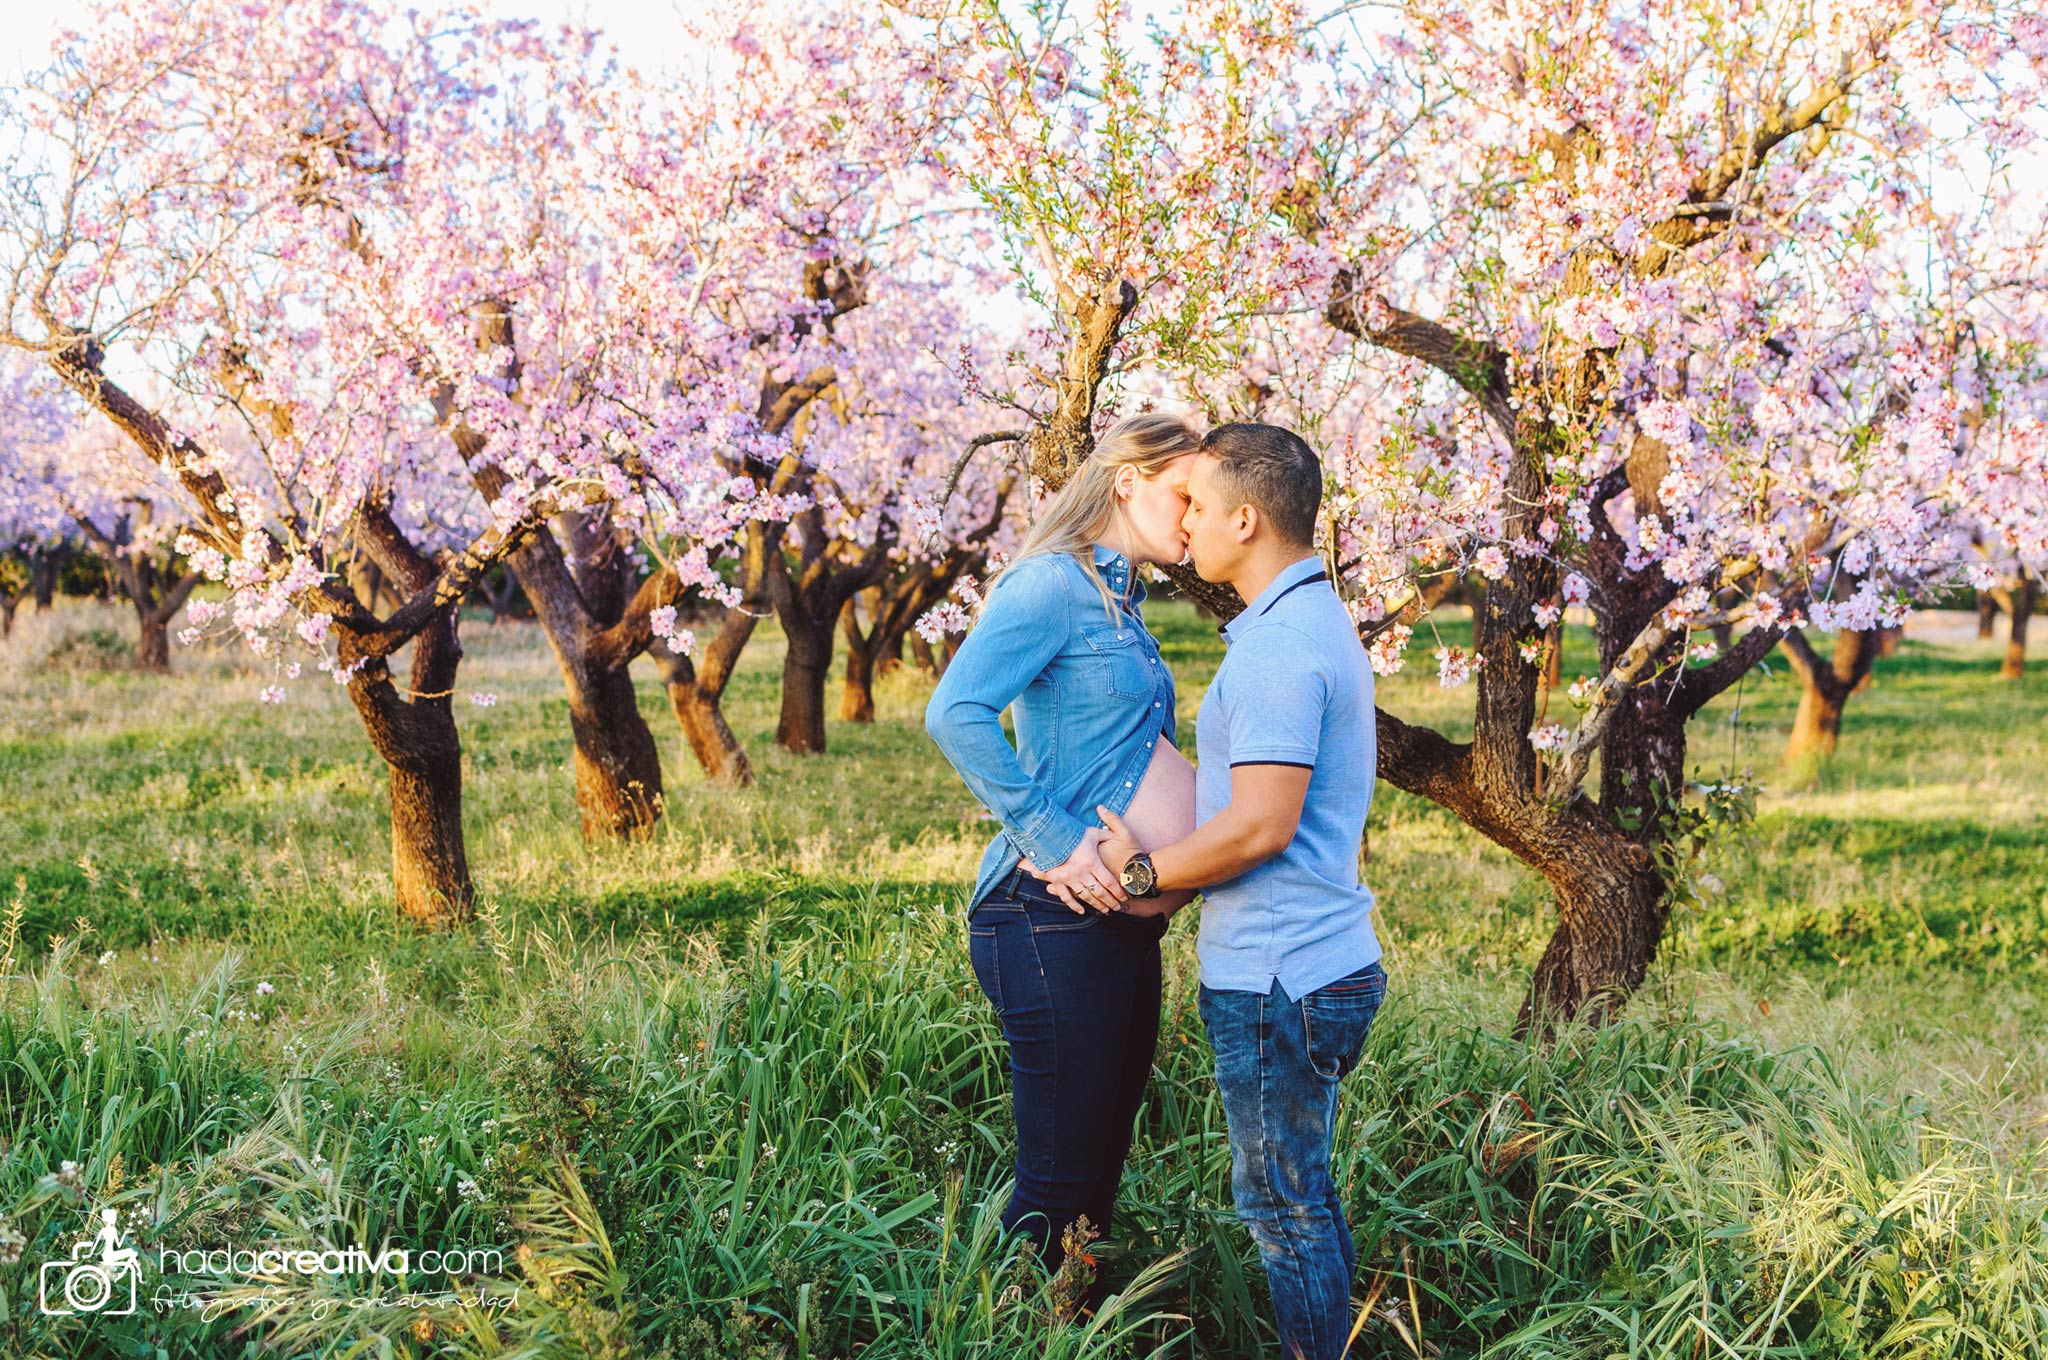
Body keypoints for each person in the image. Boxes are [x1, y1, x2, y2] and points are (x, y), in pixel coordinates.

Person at [1092, 422, 1386, 1360]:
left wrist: (1140, 874)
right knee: (1304, 1192)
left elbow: (1261, 824)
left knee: (1278, 1204)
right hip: (1316, 956)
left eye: (1202, 508)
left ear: (1248, 520)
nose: (1188, 524)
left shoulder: (1276, 651)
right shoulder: (1309, 622)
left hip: (1278, 974)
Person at [923, 412, 1205, 1277]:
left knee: (1098, 1167)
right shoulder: (1052, 585)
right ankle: (1004, 1327)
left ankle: (1069, 1322)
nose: (1195, 517)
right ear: (1128, 480)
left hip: (1116, 923)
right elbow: (953, 712)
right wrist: (1056, 837)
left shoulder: (1122, 599)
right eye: (1182, 494)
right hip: (1047, 915)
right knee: (1058, 1177)